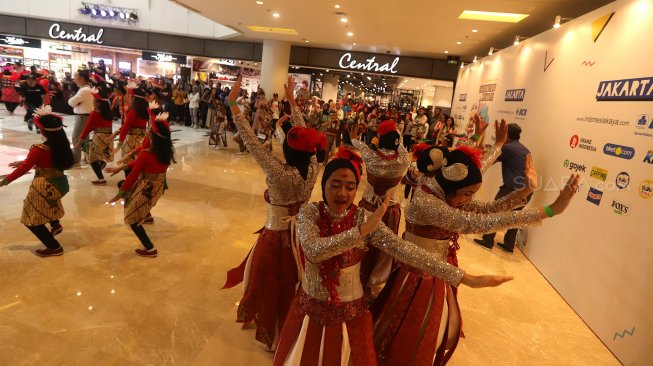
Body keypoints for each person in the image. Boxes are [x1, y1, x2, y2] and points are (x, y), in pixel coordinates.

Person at [273, 146, 514, 366]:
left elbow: (405, 250)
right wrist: (360, 233)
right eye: (335, 185)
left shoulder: (361, 217)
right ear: (324, 185)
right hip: (311, 310)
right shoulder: (310, 213)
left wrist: (464, 278)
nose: (342, 193)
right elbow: (314, 251)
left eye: (350, 187)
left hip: (351, 312)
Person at [372, 121, 580, 366]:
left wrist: (523, 189)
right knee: (410, 337)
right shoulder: (429, 202)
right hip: (418, 276)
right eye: (468, 194)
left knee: (430, 330)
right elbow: (478, 222)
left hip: (435, 272)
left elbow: (486, 203)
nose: (470, 200)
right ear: (455, 188)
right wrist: (549, 210)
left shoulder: (443, 186)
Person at [222, 77, 326, 352]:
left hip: (275, 237)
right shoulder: (313, 166)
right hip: (302, 236)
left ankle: (274, 334)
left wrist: (233, 104)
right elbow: (303, 138)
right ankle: (292, 326)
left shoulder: (279, 172)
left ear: (288, 150)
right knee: (295, 282)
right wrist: (292, 102)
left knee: (270, 284)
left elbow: (252, 142)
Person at [0, 106, 74, 256]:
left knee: (30, 218)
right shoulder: (62, 146)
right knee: (49, 204)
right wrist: (24, 162)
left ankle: (54, 247)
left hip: (44, 185)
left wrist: (4, 181)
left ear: (44, 130)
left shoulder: (39, 148)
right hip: (60, 183)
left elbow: (25, 169)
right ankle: (55, 224)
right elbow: (46, 162)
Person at [350, 120, 411, 295]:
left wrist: (355, 139)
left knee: (362, 242)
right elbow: (402, 149)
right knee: (384, 247)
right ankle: (374, 280)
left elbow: (359, 145)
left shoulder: (370, 156)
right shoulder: (403, 160)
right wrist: (395, 134)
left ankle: (357, 275)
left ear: (379, 140)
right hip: (390, 210)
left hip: (368, 208)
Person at [105, 113, 174, 257]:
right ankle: (145, 214)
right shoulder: (164, 151)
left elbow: (133, 175)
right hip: (157, 187)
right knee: (122, 185)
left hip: (147, 187)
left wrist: (119, 195)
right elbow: (140, 162)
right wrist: (121, 167)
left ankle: (150, 249)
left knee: (133, 219)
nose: (146, 131)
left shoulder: (148, 153)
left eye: (149, 131)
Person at [474, 123, 532, 253]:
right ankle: (509, 245)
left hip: (512, 188)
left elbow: (488, 160)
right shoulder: (524, 149)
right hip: (527, 190)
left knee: (494, 211)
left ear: (507, 135)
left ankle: (487, 240)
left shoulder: (507, 148)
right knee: (515, 217)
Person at [76, 88, 114, 185]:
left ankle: (101, 178)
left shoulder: (94, 114)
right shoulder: (109, 113)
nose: (93, 102)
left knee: (91, 158)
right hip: (109, 137)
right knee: (98, 156)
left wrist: (80, 140)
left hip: (99, 137)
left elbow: (87, 128)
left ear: (99, 103)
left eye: (94, 101)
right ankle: (101, 164)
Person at [117, 85, 149, 176]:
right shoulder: (145, 110)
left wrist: (119, 143)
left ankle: (129, 182)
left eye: (130, 97)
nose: (129, 99)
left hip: (131, 140)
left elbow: (126, 127)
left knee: (127, 162)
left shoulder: (133, 111)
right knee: (138, 161)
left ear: (134, 98)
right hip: (142, 139)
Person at [67, 70, 94, 166]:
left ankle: (76, 160)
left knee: (76, 138)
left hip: (83, 117)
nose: (74, 78)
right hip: (85, 116)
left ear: (82, 78)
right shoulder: (86, 89)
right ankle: (87, 158)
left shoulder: (84, 90)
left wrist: (73, 101)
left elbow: (71, 102)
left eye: (76, 76)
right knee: (84, 138)